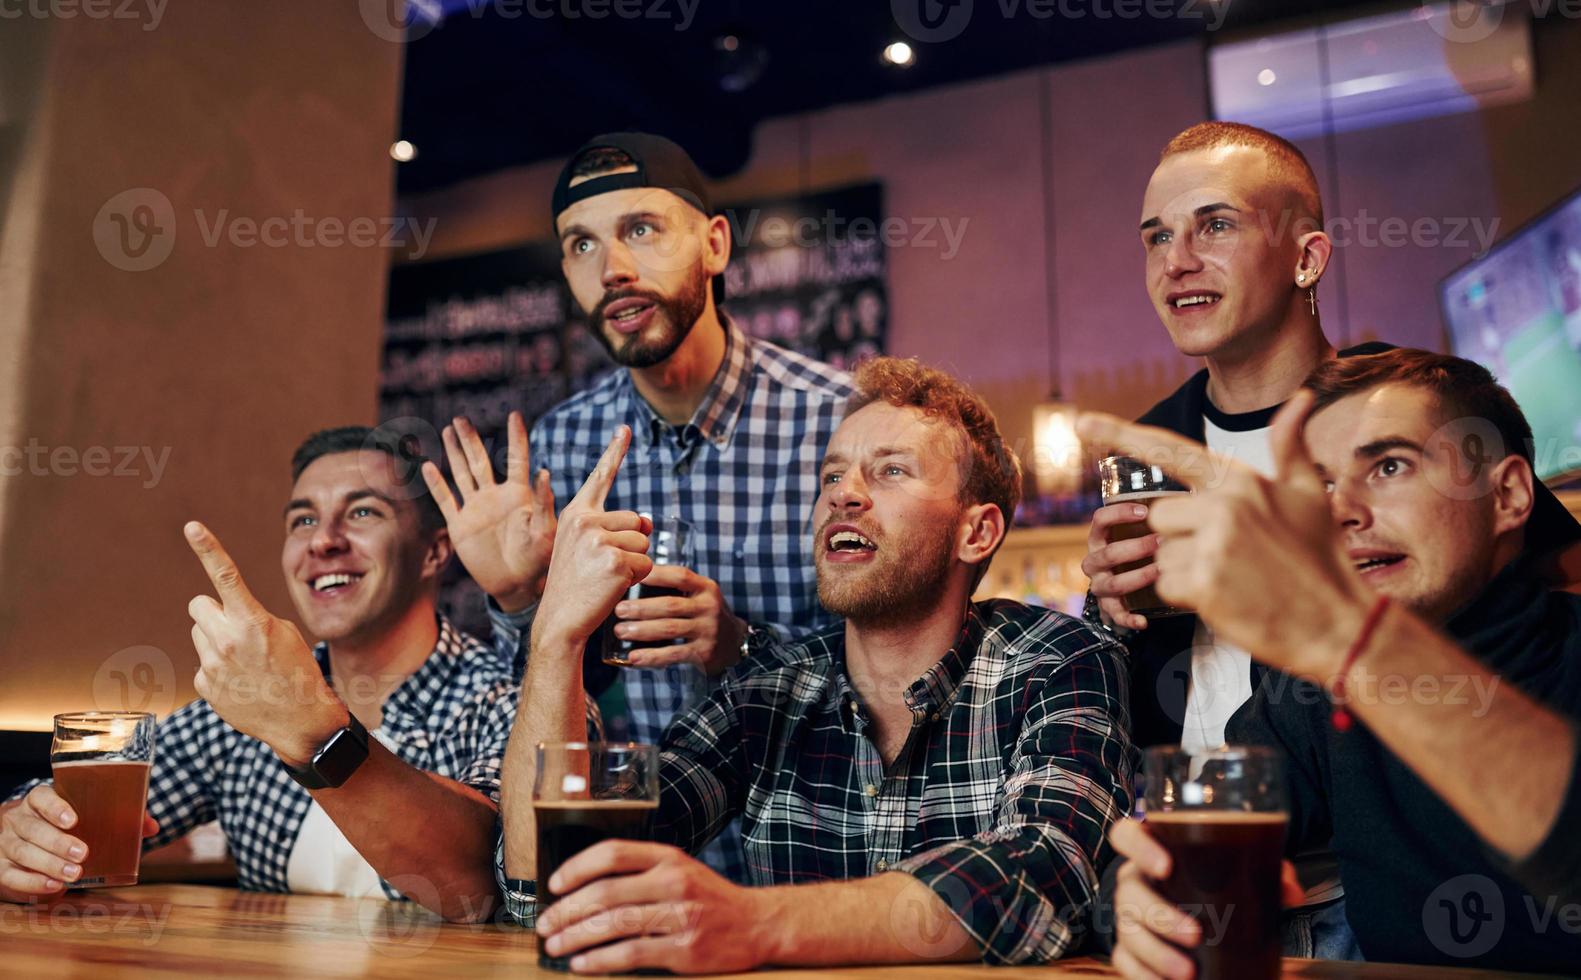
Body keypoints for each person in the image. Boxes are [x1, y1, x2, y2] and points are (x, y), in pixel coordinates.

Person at [1079, 120, 1581, 954]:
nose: (1176, 260)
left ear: (1307, 258)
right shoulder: (1146, 452)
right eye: (1157, 237)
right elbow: (1186, 791)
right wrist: (1133, 888)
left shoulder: (1414, 397)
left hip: (1374, 866)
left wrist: (1342, 634)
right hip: (1261, 850)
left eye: (1215, 224)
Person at [498, 357, 1135, 972]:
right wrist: (556, 635)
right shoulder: (769, 692)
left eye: (889, 473)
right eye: (831, 477)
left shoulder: (1060, 662)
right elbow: (551, 885)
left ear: (977, 533)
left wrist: (750, 922)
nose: (844, 497)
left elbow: (1043, 871)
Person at [1085, 349, 1581, 975]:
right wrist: (1137, 897)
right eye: (1322, 482)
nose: (1343, 510)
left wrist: (1354, 642)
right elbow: (1185, 826)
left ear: (1507, 494)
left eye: (1390, 465)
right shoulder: (1314, 696)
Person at [459, 131, 852, 880]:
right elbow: (547, 710)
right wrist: (517, 603)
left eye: (640, 229)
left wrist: (740, 647)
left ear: (713, 244)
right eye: (580, 245)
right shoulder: (563, 445)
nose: (613, 269)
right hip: (620, 884)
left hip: (808, 883)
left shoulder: (837, 422)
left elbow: (909, 678)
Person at [0, 427, 590, 920]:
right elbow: (84, 825)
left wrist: (309, 722)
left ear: (434, 552)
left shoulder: (511, 698)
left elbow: (488, 887)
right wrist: (24, 833)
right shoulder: (247, 704)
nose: (325, 542)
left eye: (362, 512)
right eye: (303, 521)